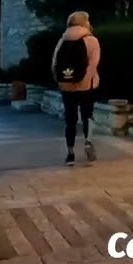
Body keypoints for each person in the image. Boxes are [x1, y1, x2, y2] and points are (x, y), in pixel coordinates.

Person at [51, 10, 101, 166]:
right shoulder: (91, 40)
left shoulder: (62, 40)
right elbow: (93, 65)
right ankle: (88, 141)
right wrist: (84, 82)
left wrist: (63, 82)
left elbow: (54, 65)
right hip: (87, 86)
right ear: (84, 22)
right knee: (88, 115)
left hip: (67, 87)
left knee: (70, 119)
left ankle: (70, 153)